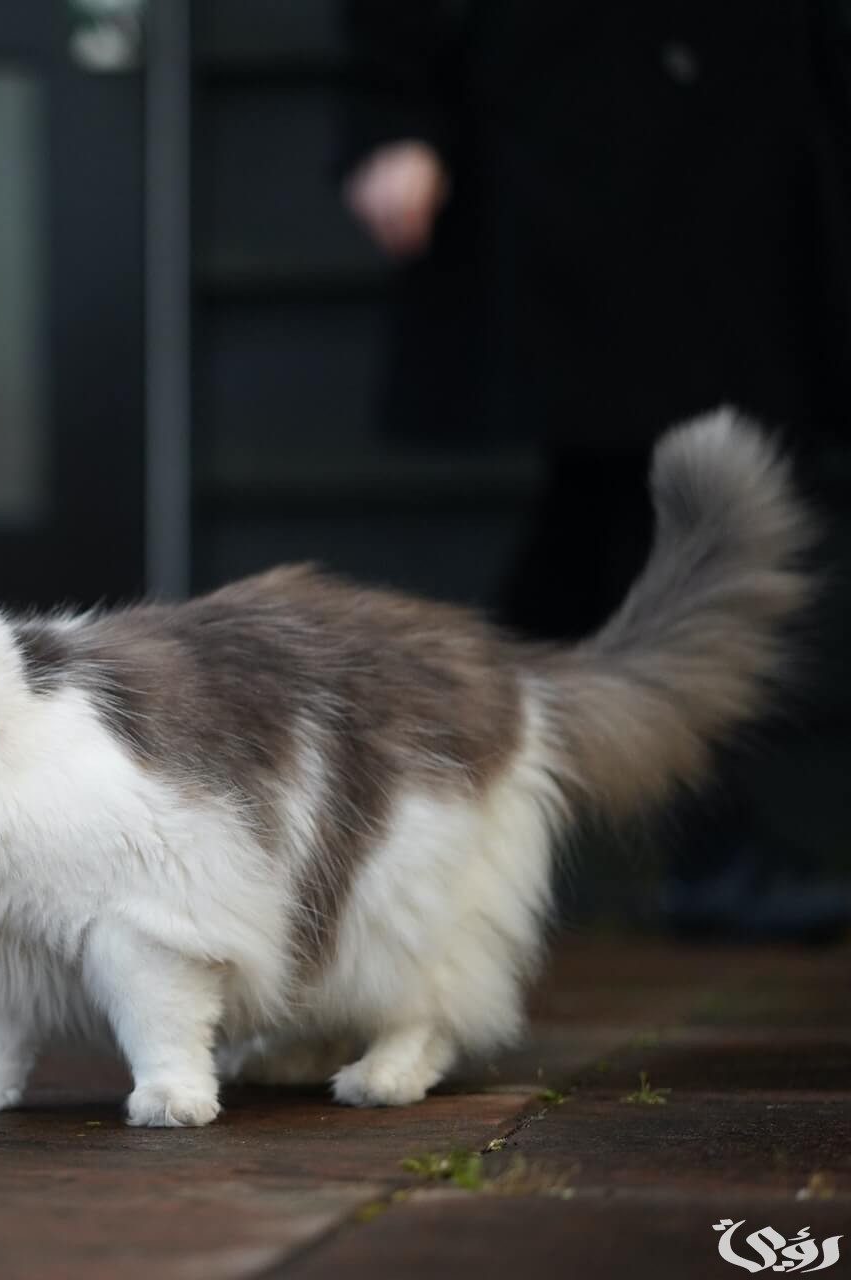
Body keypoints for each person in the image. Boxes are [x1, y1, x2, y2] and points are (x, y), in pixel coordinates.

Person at [340, 0, 851, 940]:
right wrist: (395, 116)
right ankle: (708, 844)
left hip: (743, 141)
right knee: (637, 493)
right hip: (585, 150)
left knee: (594, 521)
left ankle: (425, 812)